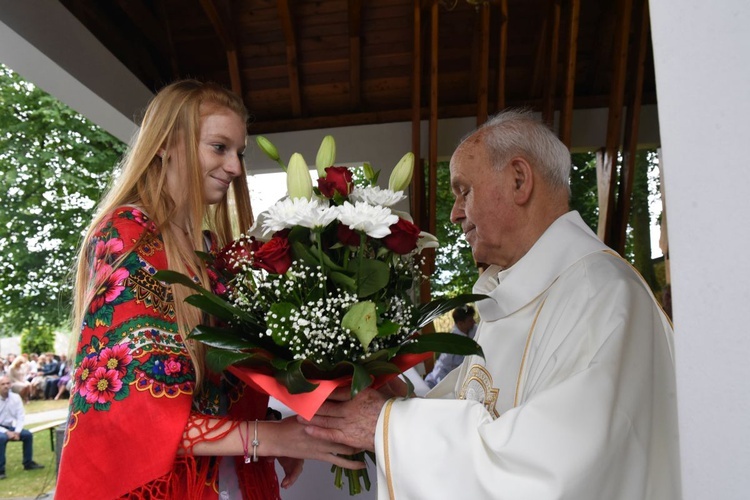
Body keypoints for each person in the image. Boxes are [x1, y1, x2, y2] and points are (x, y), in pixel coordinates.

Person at [304, 109, 681, 499]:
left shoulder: (603, 296)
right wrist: (401, 405)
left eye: (464, 190)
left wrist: (388, 427)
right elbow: (476, 402)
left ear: (519, 180)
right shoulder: (509, 292)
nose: (454, 214)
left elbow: (550, 467)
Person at [56, 79, 362, 500]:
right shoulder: (127, 238)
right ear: (166, 144)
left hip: (219, 479)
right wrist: (267, 438)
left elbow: (216, 385)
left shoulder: (208, 250)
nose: (235, 167)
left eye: (239, 152)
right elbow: (136, 410)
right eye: (219, 147)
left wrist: (274, 427)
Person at [0, 375, 44, 480]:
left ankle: (28, 463)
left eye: (8, 383)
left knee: (27, 435)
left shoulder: (16, 398)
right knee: (1, 438)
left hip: (12, 428)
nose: (6, 386)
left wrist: (17, 431)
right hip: (1, 429)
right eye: (3, 384)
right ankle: (1, 470)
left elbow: (20, 416)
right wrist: (7, 432)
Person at [423, 305, 477, 388]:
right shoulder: (452, 342)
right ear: (460, 324)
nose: (474, 322)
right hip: (450, 379)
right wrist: (442, 387)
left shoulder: (473, 330)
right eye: (470, 320)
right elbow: (442, 366)